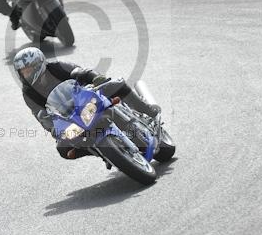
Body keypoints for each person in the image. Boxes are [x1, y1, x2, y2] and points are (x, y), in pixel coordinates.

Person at [13, 48, 160, 160]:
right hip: (70, 116)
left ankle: (146, 109)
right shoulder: (29, 93)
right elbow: (40, 115)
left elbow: (83, 72)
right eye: (23, 72)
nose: (26, 74)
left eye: (29, 69)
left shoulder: (58, 67)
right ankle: (103, 151)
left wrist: (97, 79)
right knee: (63, 149)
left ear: (39, 64)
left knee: (118, 84)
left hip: (88, 98)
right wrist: (53, 129)